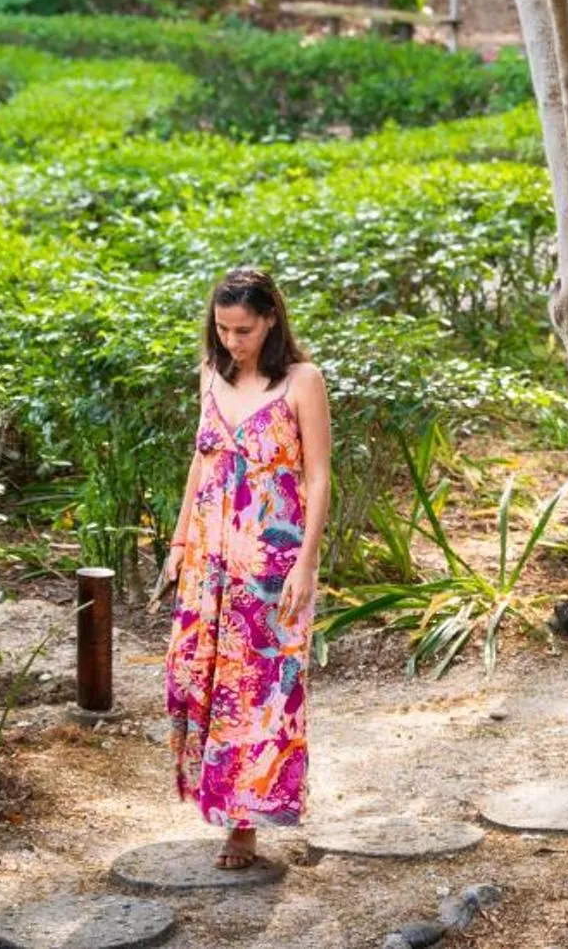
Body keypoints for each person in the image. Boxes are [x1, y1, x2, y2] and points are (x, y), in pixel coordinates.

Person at [153, 266, 333, 870]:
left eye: (245, 329)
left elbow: (318, 476)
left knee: (257, 689)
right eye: (224, 329)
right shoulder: (212, 375)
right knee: (198, 677)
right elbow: (200, 464)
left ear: (272, 320)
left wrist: (307, 564)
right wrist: (178, 546)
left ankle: (245, 824)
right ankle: (222, 802)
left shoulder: (301, 381)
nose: (233, 341)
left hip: (271, 561)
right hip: (209, 557)